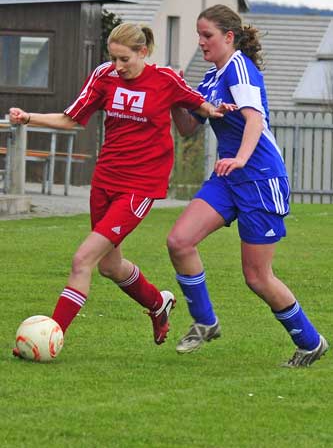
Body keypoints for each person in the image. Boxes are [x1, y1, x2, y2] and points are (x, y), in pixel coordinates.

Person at [9, 22, 234, 358]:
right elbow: (73, 118)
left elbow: (200, 105)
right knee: (109, 266)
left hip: (140, 186)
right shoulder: (104, 76)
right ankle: (159, 304)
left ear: (143, 52)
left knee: (82, 259)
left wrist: (217, 110)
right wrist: (29, 117)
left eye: (124, 59)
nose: (118, 66)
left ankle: (49, 338)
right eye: (113, 58)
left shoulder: (165, 80)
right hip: (106, 180)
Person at [167, 5, 328, 367]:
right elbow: (187, 128)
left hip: (259, 179)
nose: (201, 42)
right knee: (179, 241)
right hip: (228, 178)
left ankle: (310, 341)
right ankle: (205, 322)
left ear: (228, 37)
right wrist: (176, 95)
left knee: (257, 277)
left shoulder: (240, 68)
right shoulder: (210, 78)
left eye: (206, 35)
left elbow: (255, 120)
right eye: (198, 35)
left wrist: (240, 158)